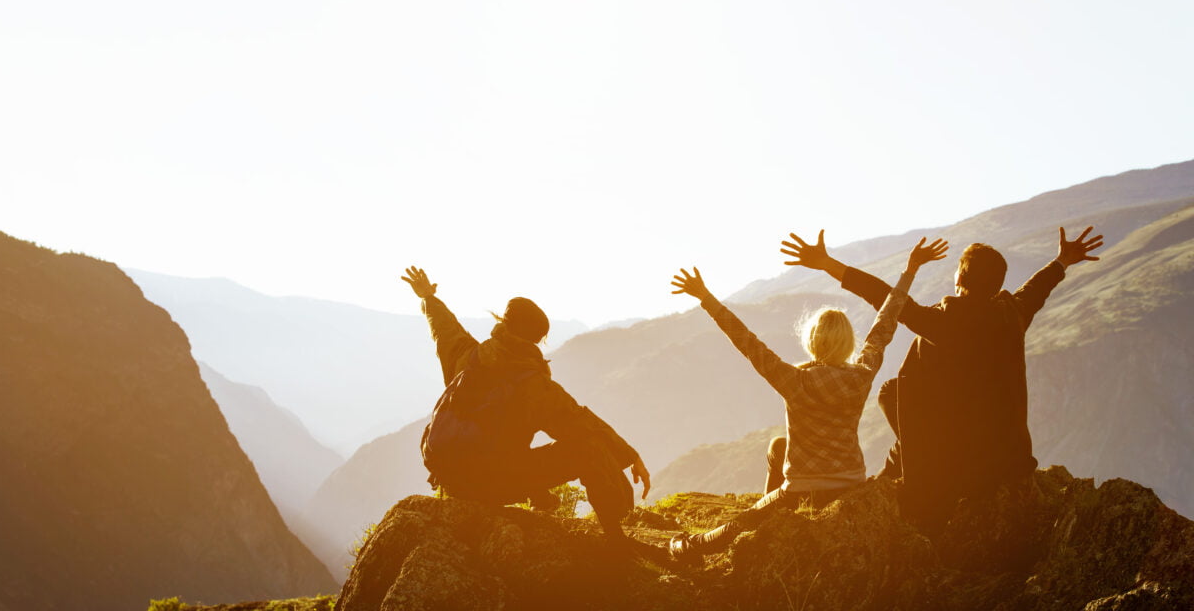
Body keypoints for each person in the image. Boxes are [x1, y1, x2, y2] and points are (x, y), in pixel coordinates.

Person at [779, 227, 1104, 530]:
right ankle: (899, 462)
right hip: (1010, 459)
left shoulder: (945, 321)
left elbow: (884, 297)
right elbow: (1036, 289)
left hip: (961, 466)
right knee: (906, 387)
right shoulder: (1013, 313)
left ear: (960, 275)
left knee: (893, 391)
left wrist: (826, 263)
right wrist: (1063, 261)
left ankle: (904, 468)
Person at [666, 237, 947, 559]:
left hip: (802, 491)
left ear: (811, 340)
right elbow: (886, 320)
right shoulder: (862, 374)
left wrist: (705, 297)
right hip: (851, 485)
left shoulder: (792, 379)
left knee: (741, 523)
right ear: (848, 341)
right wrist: (910, 270)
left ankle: (690, 547)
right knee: (778, 447)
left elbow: (745, 340)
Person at [401, 266, 651, 539]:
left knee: (507, 446)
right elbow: (581, 423)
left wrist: (427, 296)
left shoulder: (469, 357)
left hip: (450, 479)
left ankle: (541, 499)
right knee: (588, 449)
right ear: (537, 339)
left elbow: (444, 327)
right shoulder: (533, 385)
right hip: (491, 483)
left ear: (503, 323)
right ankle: (617, 537)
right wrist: (630, 455)